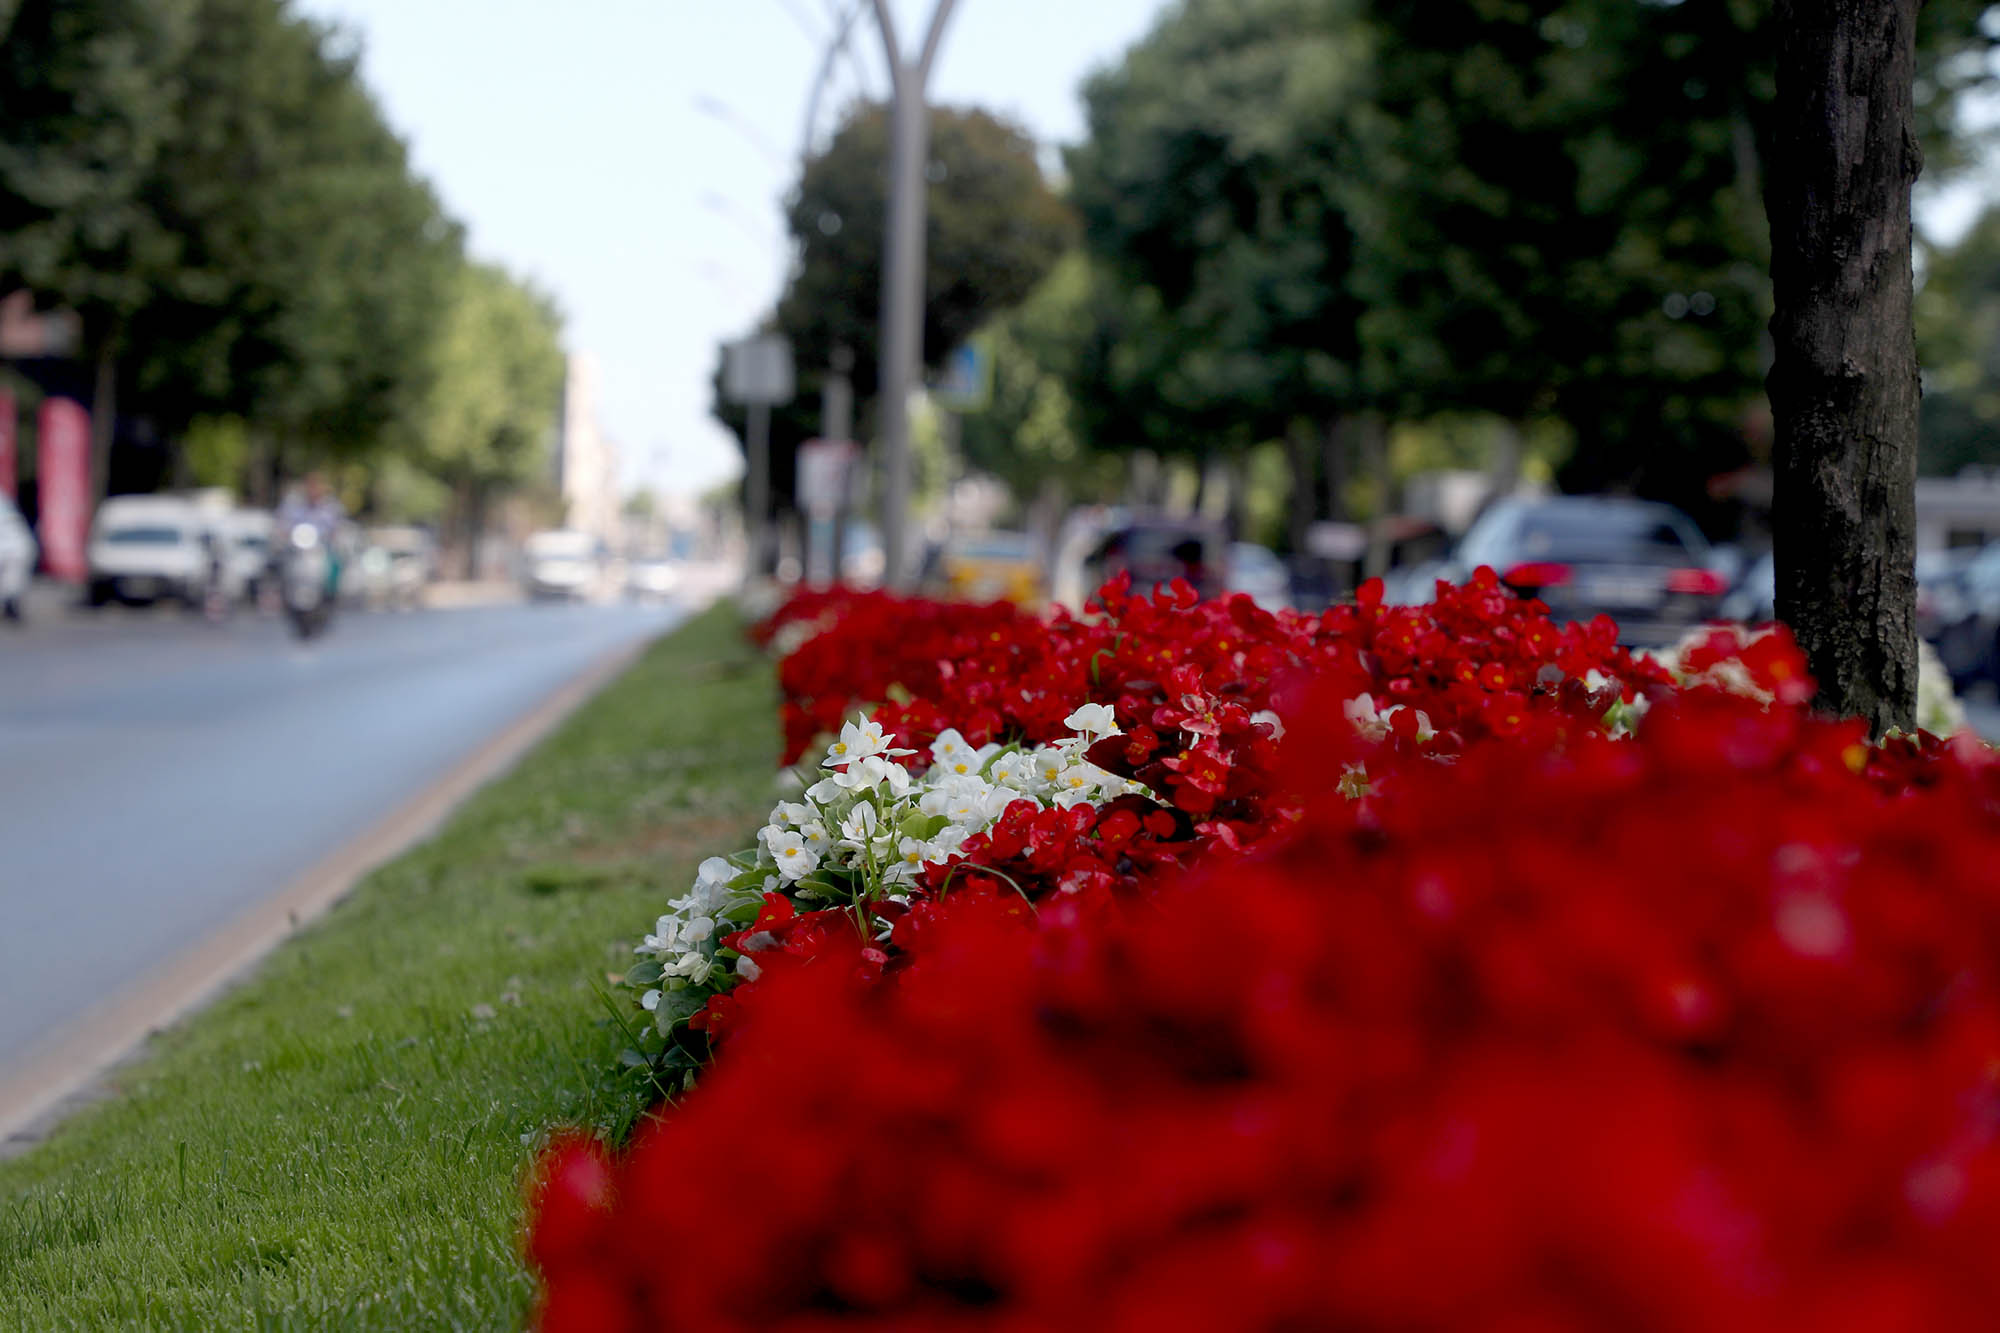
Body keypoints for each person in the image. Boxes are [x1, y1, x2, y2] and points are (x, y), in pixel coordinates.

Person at [273, 471, 346, 598]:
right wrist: (284, 534)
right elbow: (283, 524)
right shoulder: (294, 506)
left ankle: (332, 591)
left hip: (321, 548)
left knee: (336, 561)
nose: (313, 490)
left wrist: (334, 537)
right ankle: (280, 591)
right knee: (280, 560)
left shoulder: (330, 507)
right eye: (310, 487)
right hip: (299, 549)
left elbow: (337, 526)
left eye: (316, 487)